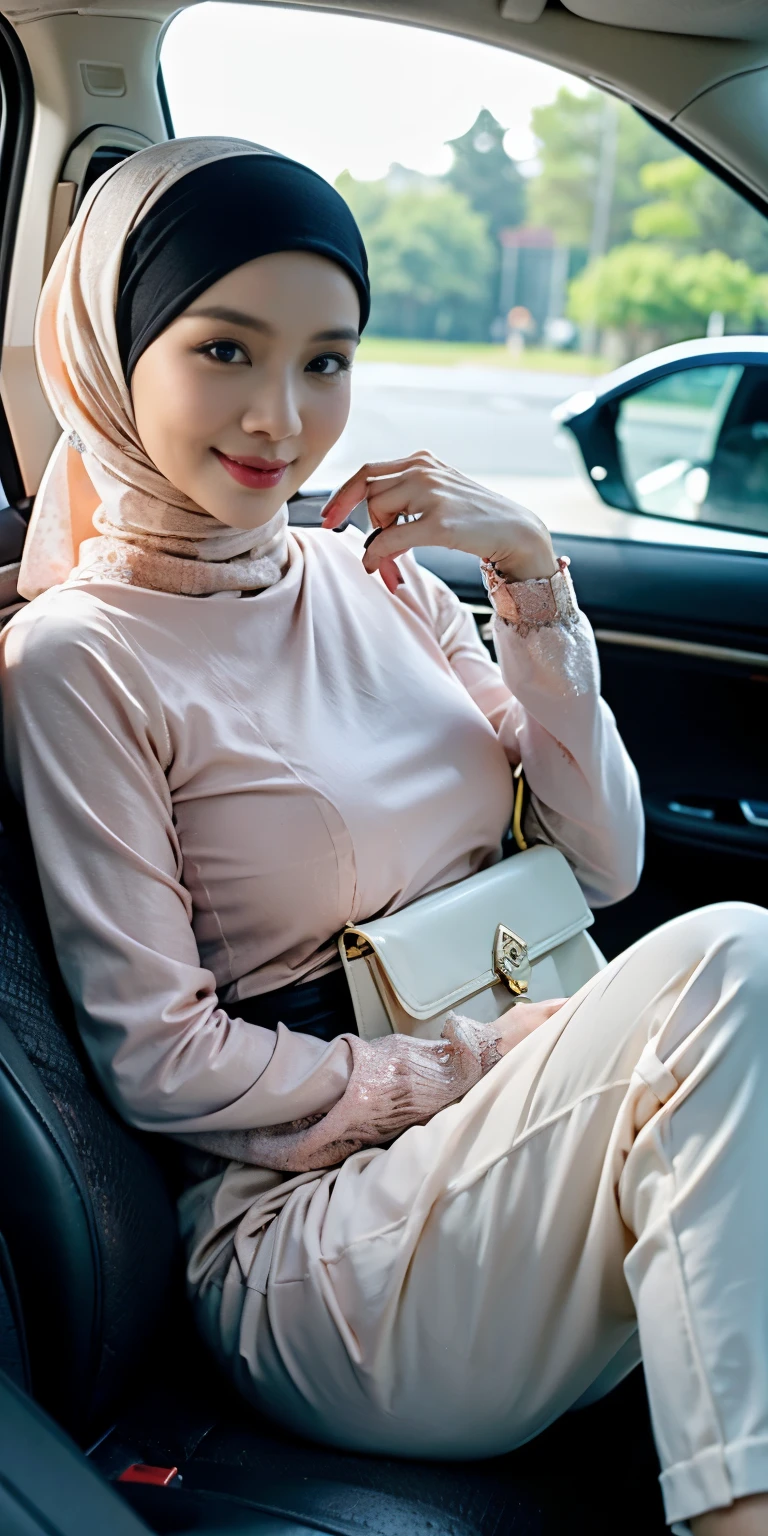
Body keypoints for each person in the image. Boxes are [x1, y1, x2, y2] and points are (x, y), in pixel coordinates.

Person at [0, 137, 766, 1536]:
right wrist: (471, 1066)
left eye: (328, 360)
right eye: (224, 350)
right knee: (731, 967)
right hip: (319, 1254)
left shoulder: (383, 583)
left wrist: (532, 584)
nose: (281, 417)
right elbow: (158, 1061)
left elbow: (601, 865)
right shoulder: (79, 661)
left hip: (524, 1149)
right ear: (114, 353)